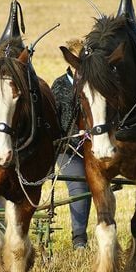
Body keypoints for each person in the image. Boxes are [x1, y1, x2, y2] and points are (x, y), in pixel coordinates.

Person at [51, 39, 91, 250]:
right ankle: (79, 240)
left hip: (94, 147)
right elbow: (56, 124)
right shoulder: (59, 86)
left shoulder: (95, 84)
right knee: (79, 186)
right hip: (68, 150)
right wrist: (76, 134)